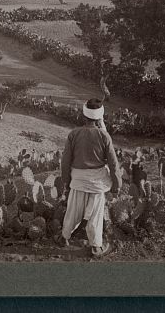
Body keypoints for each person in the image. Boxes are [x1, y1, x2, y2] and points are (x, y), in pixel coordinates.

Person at [60, 98, 122, 257]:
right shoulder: (104, 136)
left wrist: (66, 182)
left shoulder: (74, 134)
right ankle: (96, 247)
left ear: (84, 115)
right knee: (95, 216)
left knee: (73, 212)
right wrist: (117, 185)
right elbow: (114, 164)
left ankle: (64, 237)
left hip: (78, 180)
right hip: (97, 183)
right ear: (100, 117)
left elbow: (65, 161)